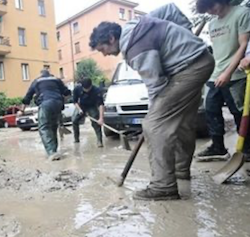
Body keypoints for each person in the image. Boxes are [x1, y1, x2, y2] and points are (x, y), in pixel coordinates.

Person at [89, 3, 215, 200]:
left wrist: (154, 113)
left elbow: (156, 86)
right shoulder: (135, 23)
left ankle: (163, 186)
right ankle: (181, 171)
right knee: (182, 122)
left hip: (188, 70)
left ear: (112, 38)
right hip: (200, 61)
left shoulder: (134, 49)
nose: (104, 54)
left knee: (154, 124)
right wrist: (186, 34)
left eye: (102, 48)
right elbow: (171, 9)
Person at [195, 0, 250, 161]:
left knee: (239, 112)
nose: (212, 11)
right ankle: (218, 147)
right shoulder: (212, 24)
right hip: (215, 74)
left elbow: (243, 45)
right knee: (211, 109)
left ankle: (246, 150)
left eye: (213, 6)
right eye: (208, 10)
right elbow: (219, 50)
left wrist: (228, 72)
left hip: (236, 74)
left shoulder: (241, 13)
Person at [20, 69, 71, 161]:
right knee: (53, 127)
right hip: (58, 103)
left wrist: (22, 110)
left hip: (46, 103)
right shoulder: (57, 80)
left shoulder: (37, 81)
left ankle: (51, 152)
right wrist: (62, 100)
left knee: (44, 127)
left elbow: (28, 97)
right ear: (50, 74)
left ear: (41, 75)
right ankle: (54, 151)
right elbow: (67, 93)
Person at [72, 78, 104, 147]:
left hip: (92, 106)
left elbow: (100, 105)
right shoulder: (77, 89)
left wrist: (101, 118)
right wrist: (79, 109)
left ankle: (99, 141)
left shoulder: (97, 91)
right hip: (81, 106)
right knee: (74, 120)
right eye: (84, 88)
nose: (86, 90)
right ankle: (76, 139)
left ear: (91, 86)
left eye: (88, 88)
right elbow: (75, 101)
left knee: (96, 122)